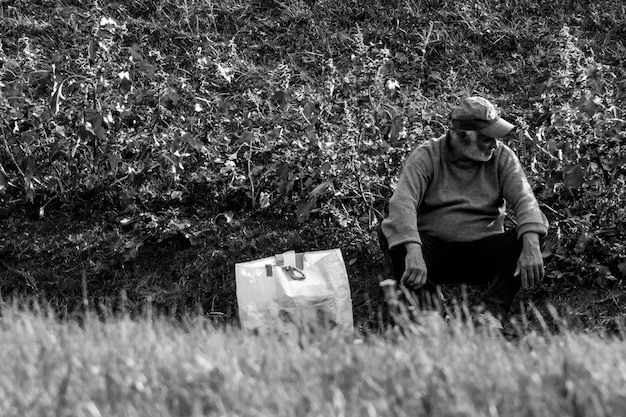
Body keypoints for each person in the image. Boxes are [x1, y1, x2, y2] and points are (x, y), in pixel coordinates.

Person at [379, 96, 548, 326]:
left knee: (535, 233)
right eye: (487, 138)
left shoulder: (502, 157)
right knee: (391, 234)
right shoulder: (427, 155)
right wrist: (412, 248)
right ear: (462, 135)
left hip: (483, 253)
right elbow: (402, 204)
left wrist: (530, 245)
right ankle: (432, 313)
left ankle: (490, 313)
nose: (494, 144)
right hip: (433, 255)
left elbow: (526, 201)